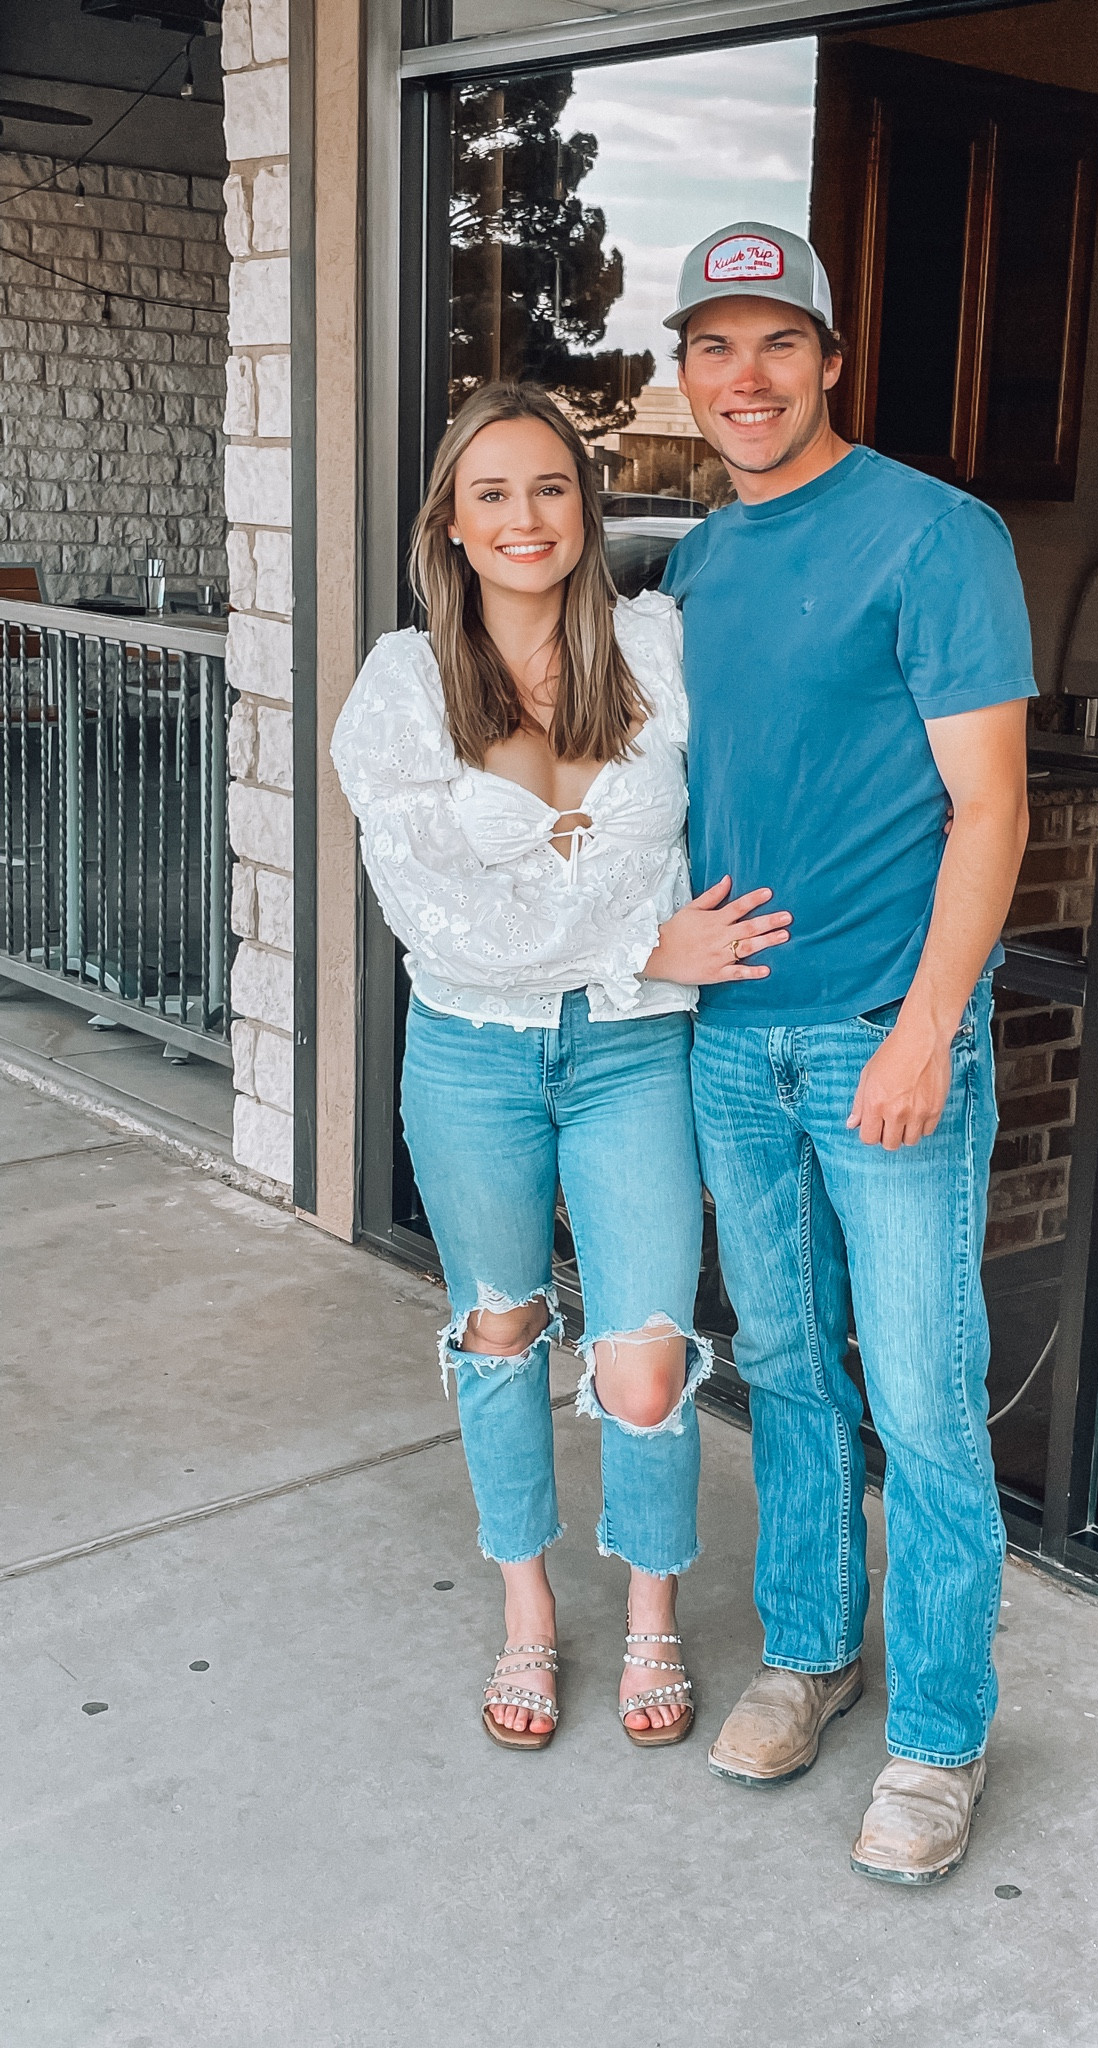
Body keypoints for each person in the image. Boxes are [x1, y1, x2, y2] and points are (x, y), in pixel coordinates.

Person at [331, 381, 790, 1752]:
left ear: (587, 512)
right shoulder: (403, 686)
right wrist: (651, 944)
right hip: (471, 1057)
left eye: (550, 488)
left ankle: (651, 1612)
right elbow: (447, 918)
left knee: (646, 1361)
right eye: (493, 495)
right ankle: (529, 1612)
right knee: (503, 1332)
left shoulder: (656, 650)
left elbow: (764, 768)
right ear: (452, 530)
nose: (525, 517)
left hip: (633, 1062)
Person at [661, 221, 1035, 1883]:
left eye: (776, 345)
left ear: (829, 360)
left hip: (885, 1045)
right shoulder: (696, 563)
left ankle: (942, 1736)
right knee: (792, 1372)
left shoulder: (936, 535)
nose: (747, 381)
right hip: (729, 1046)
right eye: (714, 349)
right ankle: (814, 1652)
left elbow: (993, 807)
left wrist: (929, 1032)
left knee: (931, 1406)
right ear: (686, 371)